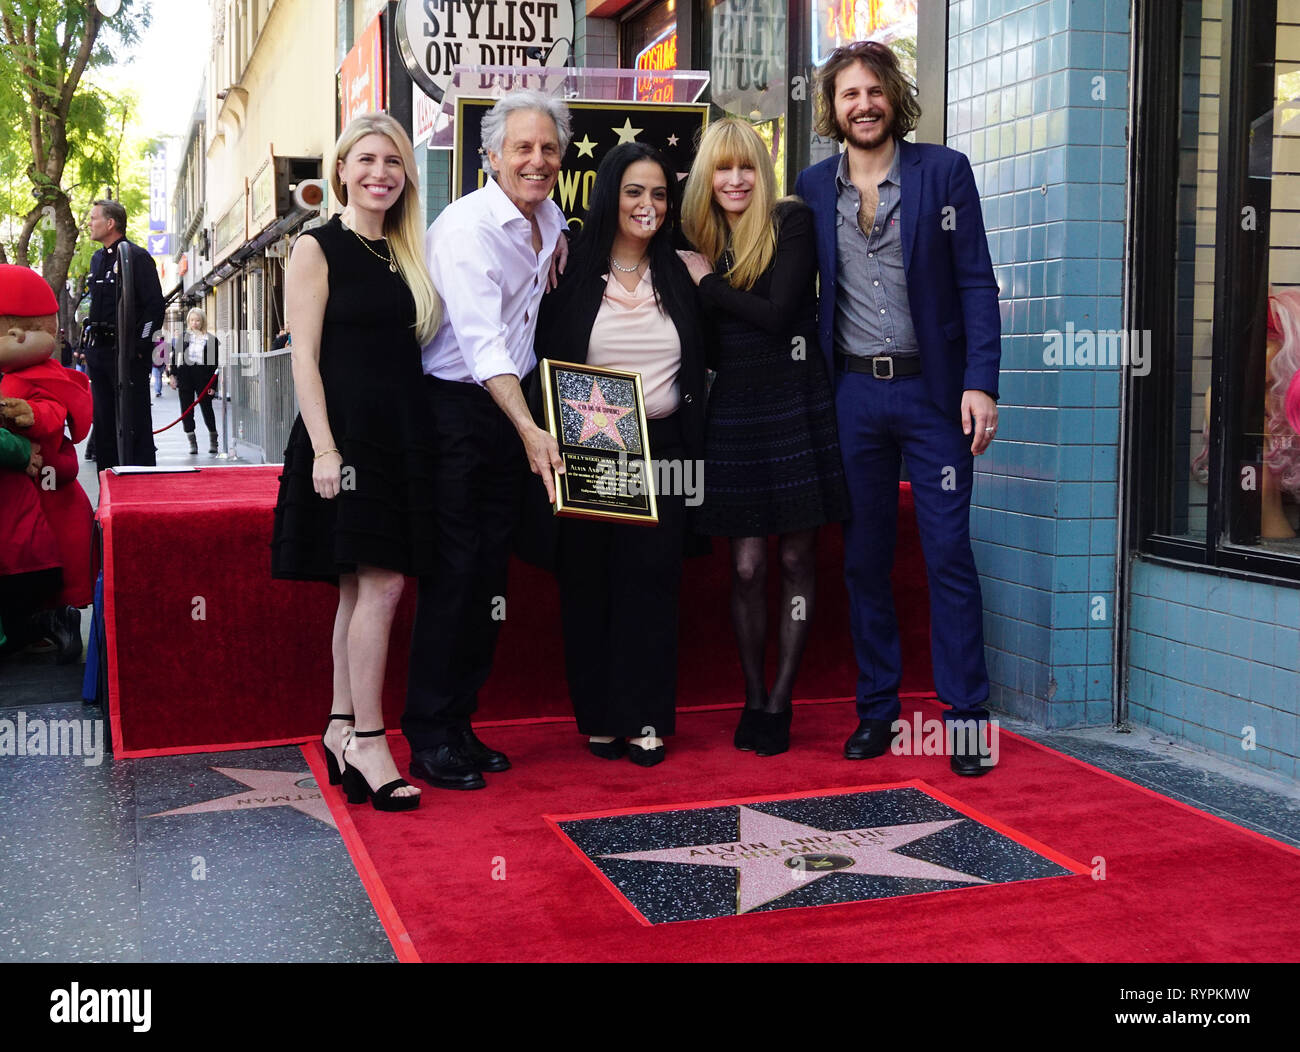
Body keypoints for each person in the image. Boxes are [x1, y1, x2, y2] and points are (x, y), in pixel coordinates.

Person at [794, 40, 1002, 776]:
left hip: (934, 394)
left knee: (948, 553)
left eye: (874, 91)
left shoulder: (944, 173)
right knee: (864, 559)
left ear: (894, 99)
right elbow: (777, 275)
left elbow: (977, 281)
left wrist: (981, 382)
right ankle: (877, 709)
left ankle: (967, 718)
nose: (864, 105)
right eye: (849, 94)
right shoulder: (812, 189)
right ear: (833, 108)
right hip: (851, 395)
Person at [270, 112, 443, 812]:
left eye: (393, 162)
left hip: (398, 434)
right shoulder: (317, 247)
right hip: (344, 438)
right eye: (366, 160)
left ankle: (341, 727)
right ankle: (372, 739)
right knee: (384, 585)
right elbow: (303, 358)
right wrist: (326, 448)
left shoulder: (404, 252)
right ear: (339, 169)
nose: (380, 173)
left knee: (358, 588)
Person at [402, 89, 570, 791]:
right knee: (455, 573)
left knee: (490, 573)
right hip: (457, 412)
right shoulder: (467, 228)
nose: (537, 160)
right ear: (492, 155)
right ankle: (428, 733)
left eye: (548, 149)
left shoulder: (552, 219)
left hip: (507, 409)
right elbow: (479, 343)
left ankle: (462, 723)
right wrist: (530, 427)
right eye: (522, 148)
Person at [678, 117, 850, 757]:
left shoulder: (790, 221)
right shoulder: (694, 234)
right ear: (707, 176)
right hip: (732, 412)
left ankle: (780, 701)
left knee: (794, 559)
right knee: (747, 565)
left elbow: (780, 316)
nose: (735, 179)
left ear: (762, 170)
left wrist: (710, 286)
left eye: (746, 166)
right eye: (722, 168)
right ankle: (752, 696)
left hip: (793, 400)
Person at [532, 142, 707, 766]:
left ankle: (645, 719)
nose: (648, 205)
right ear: (611, 194)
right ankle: (600, 718)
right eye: (635, 191)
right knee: (588, 585)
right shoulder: (569, 265)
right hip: (588, 445)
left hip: (663, 449)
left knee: (651, 585)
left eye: (659, 193)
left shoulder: (684, 270)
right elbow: (544, 354)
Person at [83, 199, 164, 471]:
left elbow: (154, 308)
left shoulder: (136, 257)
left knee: (134, 419)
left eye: (94, 218)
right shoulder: (97, 259)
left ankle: (141, 480)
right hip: (100, 351)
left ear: (110, 223)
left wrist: (139, 345)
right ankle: (108, 480)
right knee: (104, 420)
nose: (89, 223)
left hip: (126, 352)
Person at [170, 307, 220, 455]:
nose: (195, 323)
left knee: (206, 407)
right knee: (186, 409)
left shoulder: (211, 339)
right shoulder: (184, 337)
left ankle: (213, 440)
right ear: (188, 321)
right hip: (185, 374)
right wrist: (172, 375)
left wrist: (213, 385)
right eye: (192, 320)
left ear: (202, 321)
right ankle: (192, 441)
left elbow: (214, 365)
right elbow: (174, 357)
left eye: (198, 320)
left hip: (203, 376)